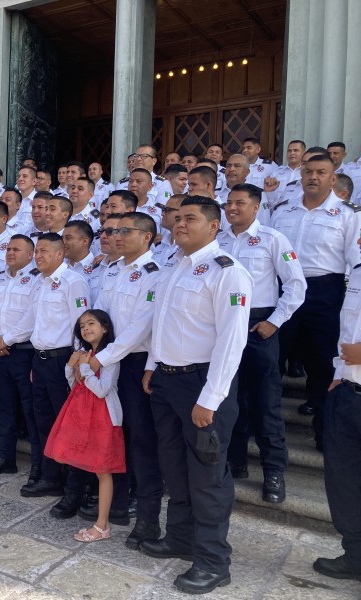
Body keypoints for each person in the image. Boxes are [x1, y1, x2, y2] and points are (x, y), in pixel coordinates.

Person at [139, 196, 252, 594]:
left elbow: (232, 340)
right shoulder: (173, 266)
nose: (179, 224)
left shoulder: (228, 273)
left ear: (214, 226)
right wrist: (153, 364)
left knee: (207, 475)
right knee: (174, 466)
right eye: (177, 217)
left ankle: (213, 560)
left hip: (202, 385)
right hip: (167, 380)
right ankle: (180, 537)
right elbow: (162, 323)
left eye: (190, 218)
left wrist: (211, 397)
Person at [218, 183, 306, 503]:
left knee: (266, 400)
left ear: (256, 207)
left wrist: (274, 321)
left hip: (260, 325)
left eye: (240, 203)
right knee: (230, 397)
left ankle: (273, 471)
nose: (232, 208)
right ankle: (235, 461)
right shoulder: (219, 240)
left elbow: (296, 284)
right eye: (229, 203)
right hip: (226, 325)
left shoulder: (272, 239)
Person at [271, 155, 361, 448]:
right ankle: (267, 432)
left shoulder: (348, 214)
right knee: (273, 362)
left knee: (323, 364)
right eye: (308, 171)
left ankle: (324, 432)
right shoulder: (284, 211)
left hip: (324, 292)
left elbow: (356, 263)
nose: (313, 177)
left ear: (333, 178)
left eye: (321, 172)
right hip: (283, 291)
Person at [88, 213, 163, 544]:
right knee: (111, 432)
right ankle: (115, 501)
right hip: (107, 360)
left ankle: (143, 512)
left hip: (133, 364)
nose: (116, 236)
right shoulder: (113, 270)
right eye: (113, 230)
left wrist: (102, 357)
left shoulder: (154, 274)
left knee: (139, 438)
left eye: (125, 231)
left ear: (146, 237)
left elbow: (139, 329)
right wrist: (92, 351)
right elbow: (101, 316)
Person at [44, 310, 124, 542]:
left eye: (92, 323)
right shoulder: (83, 353)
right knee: (71, 457)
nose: (86, 328)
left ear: (105, 328)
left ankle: (102, 525)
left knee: (103, 469)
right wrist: (72, 367)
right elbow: (75, 384)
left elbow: (102, 389)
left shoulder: (111, 355)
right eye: (82, 326)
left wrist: (87, 367)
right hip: (81, 413)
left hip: (102, 417)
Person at [21, 233, 89, 497]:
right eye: (36, 251)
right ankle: (50, 477)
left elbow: (81, 327)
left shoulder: (74, 282)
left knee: (68, 424)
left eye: (44, 252)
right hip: (41, 359)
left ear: (60, 254)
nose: (38, 256)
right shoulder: (40, 282)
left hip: (64, 361)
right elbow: (33, 323)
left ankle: (74, 487)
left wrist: (76, 365)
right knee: (44, 422)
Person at [315, 232, 361, 582]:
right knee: (343, 480)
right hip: (348, 390)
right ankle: (355, 553)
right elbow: (346, 330)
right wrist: (339, 371)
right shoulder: (357, 271)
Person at [0, 234, 42, 477]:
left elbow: (32, 317)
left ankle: (39, 465)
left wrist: (4, 340)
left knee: (31, 411)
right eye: (8, 249)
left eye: (16, 249)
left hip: (23, 352)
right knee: (3, 407)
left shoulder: (37, 280)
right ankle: (5, 457)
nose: (10, 253)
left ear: (30, 255)